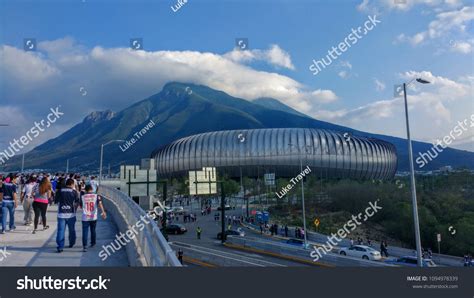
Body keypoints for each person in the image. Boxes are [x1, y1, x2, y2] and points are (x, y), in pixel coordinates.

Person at [55, 179, 80, 253]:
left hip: (61, 214)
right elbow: (77, 202)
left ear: (66, 184)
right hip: (71, 214)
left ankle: (60, 247)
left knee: (60, 231)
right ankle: (71, 243)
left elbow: (56, 201)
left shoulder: (60, 191)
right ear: (72, 184)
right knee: (71, 230)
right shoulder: (74, 192)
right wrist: (74, 208)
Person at [80, 185, 106, 252]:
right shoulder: (96, 196)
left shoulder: (82, 197)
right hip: (93, 216)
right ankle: (93, 243)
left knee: (85, 231)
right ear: (92, 189)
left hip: (85, 217)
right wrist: (103, 212)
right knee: (93, 230)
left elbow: (80, 206)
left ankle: (84, 246)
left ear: (85, 190)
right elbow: (100, 204)